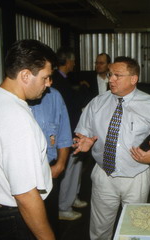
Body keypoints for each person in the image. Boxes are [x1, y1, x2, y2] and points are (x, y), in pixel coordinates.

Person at [72, 56, 150, 240]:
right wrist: (84, 142)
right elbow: (82, 132)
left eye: (117, 75)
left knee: (134, 228)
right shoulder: (97, 103)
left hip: (136, 176)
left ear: (133, 79)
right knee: (99, 229)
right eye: (110, 74)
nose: (111, 79)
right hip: (104, 175)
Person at [0, 39, 56, 239]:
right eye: (46, 77)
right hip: (14, 217)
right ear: (25, 75)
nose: (49, 84)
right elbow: (25, 195)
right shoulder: (15, 118)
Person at [28, 85, 72, 237]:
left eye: (50, 77)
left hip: (49, 170)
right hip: (23, 174)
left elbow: (64, 133)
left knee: (50, 221)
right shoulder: (9, 102)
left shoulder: (53, 96)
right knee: (28, 225)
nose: (49, 83)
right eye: (44, 77)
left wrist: (60, 164)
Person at [52, 47, 87, 221]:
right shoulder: (56, 80)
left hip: (75, 130)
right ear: (67, 61)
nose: (74, 64)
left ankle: (72, 198)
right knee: (68, 168)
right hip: (66, 132)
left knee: (76, 167)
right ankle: (63, 206)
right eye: (72, 60)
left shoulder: (67, 79)